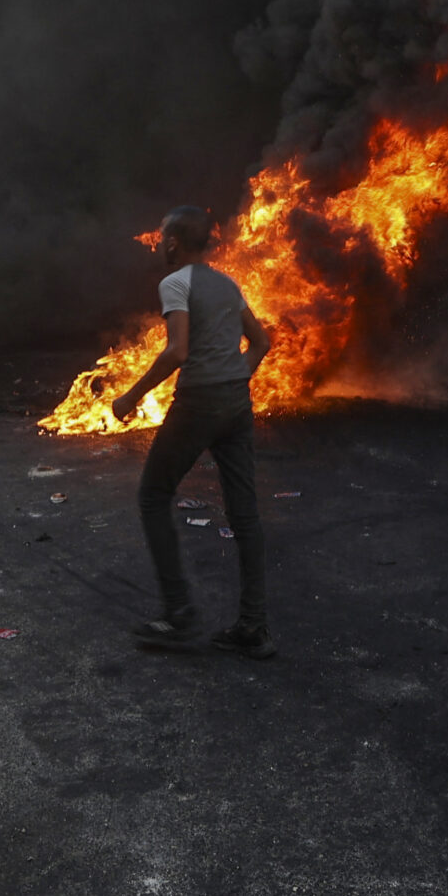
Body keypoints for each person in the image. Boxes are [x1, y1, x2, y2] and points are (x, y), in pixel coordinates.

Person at [114, 205, 275, 659]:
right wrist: (238, 377)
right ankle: (254, 627)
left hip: (199, 403)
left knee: (152, 495)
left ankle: (179, 613)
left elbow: (178, 351)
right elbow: (262, 342)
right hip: (236, 405)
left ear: (174, 242)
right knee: (245, 516)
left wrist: (130, 397)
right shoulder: (226, 283)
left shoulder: (175, 283)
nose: (158, 243)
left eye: (162, 236)